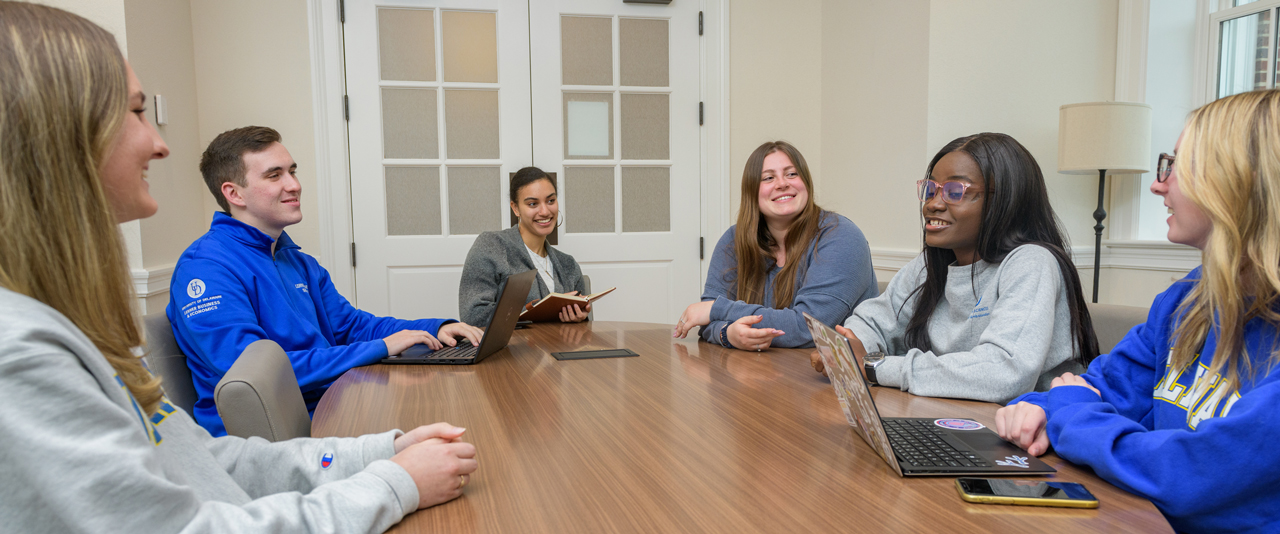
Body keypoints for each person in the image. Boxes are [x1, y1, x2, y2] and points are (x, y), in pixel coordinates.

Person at [0, 3, 476, 531]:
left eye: (293, 170)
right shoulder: (23, 353)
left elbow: (203, 462)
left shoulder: (293, 258)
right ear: (59, 133)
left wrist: (379, 451)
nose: (159, 143)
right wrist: (391, 481)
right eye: (136, 112)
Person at [995, 91, 1280, 532]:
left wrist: (1068, 410)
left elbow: (1185, 474)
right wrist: (1042, 407)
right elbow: (1097, 388)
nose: (1157, 184)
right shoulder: (1186, 299)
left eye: (1176, 167)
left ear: (1238, 183)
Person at [167, 125, 484, 436]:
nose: (294, 185)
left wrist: (435, 329)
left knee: (458, 411)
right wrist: (379, 347)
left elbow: (351, 326)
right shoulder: (206, 267)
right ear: (234, 193)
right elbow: (254, 374)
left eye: (293, 171)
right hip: (275, 433)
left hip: (331, 404)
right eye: (275, 175)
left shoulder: (297, 261)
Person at [812, 133, 1098, 404]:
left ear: (1004, 200)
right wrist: (847, 348)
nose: (933, 204)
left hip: (1029, 435)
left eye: (954, 191)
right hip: (953, 414)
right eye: (931, 189)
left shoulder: (1032, 263)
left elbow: (1003, 373)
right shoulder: (930, 264)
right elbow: (874, 319)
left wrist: (876, 367)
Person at [673, 141, 877, 349]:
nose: (782, 184)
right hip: (760, 371)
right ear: (752, 191)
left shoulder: (841, 237)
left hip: (829, 377)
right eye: (768, 178)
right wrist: (728, 334)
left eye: (791, 174)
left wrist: (718, 310)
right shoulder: (734, 240)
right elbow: (705, 320)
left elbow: (807, 329)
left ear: (805, 182)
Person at [459, 166, 588, 327]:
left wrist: (579, 318)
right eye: (533, 204)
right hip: (511, 352)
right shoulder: (492, 246)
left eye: (551, 201)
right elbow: (473, 315)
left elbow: (583, 329)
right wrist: (542, 311)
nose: (545, 211)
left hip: (558, 351)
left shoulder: (568, 265)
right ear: (515, 208)